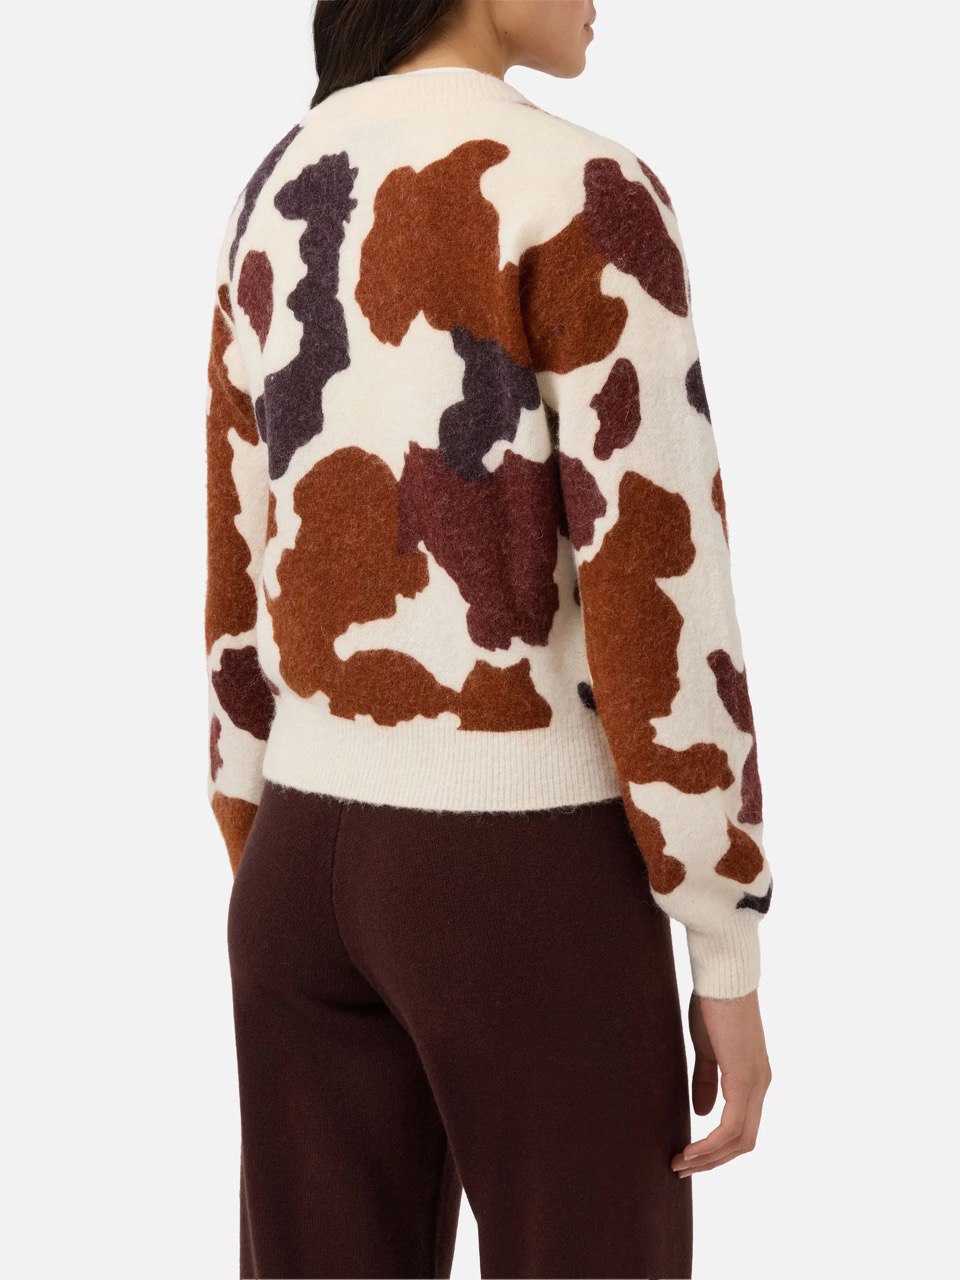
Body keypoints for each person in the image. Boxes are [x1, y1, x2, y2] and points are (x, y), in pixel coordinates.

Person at [204, 2, 773, 1276]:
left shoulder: (279, 183)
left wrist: (259, 830)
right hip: (522, 871)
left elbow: (238, 556)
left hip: (297, 861)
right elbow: (659, 574)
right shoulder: (584, 189)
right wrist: (723, 934)